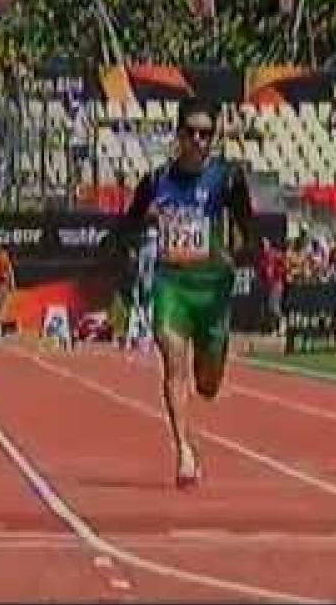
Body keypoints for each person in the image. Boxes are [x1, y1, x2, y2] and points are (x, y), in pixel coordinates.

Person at [109, 96, 257, 488]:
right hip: (170, 284)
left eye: (205, 133)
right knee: (174, 362)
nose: (198, 140)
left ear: (215, 137)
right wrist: (145, 228)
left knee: (207, 385)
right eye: (190, 133)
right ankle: (183, 451)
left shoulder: (228, 178)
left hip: (211, 291)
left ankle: (211, 364)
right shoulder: (157, 181)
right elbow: (127, 227)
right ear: (178, 136)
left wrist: (232, 255)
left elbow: (248, 229)